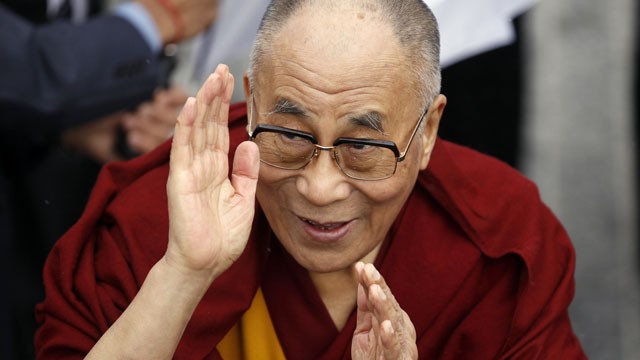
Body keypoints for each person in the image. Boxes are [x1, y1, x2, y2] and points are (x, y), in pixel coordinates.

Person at [35, 0, 586, 358]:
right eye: (290, 136)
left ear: (426, 132)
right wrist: (183, 273)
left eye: (364, 146)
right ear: (250, 108)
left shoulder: (496, 235)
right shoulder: (157, 215)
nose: (319, 189)